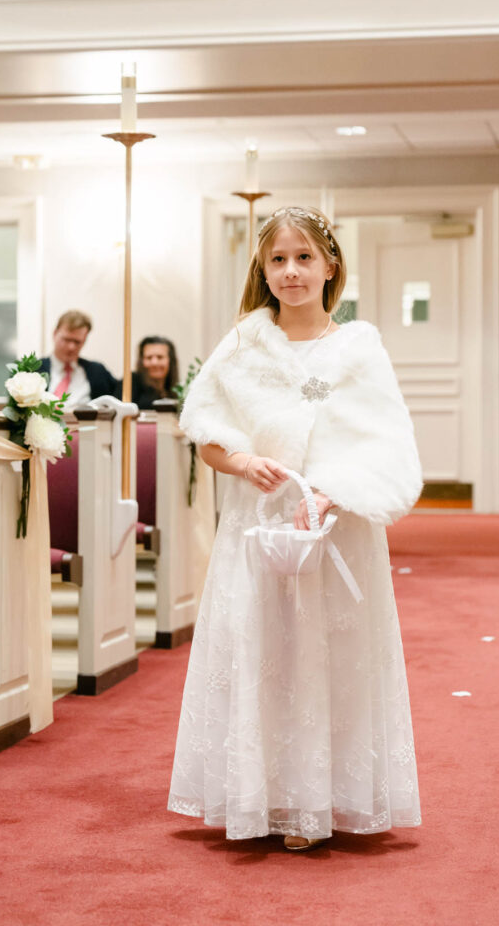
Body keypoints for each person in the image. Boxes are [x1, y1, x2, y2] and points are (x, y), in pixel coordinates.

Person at [167, 206, 422, 852]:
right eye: (277, 260)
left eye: (304, 258)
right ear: (263, 269)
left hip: (338, 530)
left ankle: (323, 797)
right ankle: (263, 795)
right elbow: (205, 434)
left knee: (330, 658)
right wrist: (242, 458)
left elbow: (387, 447)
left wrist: (337, 491)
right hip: (261, 526)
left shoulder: (358, 348)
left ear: (330, 265)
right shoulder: (243, 345)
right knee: (266, 653)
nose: (290, 272)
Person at [40, 310, 117, 407]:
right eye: (66, 339)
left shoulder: (97, 372)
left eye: (77, 342)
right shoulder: (33, 370)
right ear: (55, 334)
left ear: (85, 340)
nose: (71, 347)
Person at [113, 335, 179, 410]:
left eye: (160, 357)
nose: (154, 363)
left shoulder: (177, 390)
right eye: (149, 357)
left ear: (170, 360)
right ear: (141, 361)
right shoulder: (129, 383)